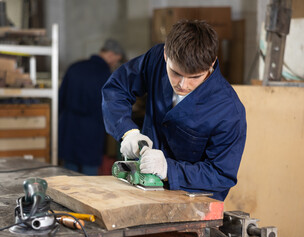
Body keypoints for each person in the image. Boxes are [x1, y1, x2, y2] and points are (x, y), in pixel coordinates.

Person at [102, 20, 247, 201]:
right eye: (175, 73)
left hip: (193, 206)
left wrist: (168, 170)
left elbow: (221, 174)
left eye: (194, 77)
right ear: (165, 55)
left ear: (211, 64)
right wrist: (128, 131)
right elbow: (116, 88)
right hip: (143, 192)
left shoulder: (229, 111)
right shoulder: (155, 60)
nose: (182, 85)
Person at [59, 39, 125, 175]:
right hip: (92, 133)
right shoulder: (106, 75)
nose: (114, 64)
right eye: (116, 60)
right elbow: (110, 108)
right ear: (111, 55)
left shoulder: (74, 68)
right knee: (89, 179)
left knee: (68, 175)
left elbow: (60, 100)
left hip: (69, 129)